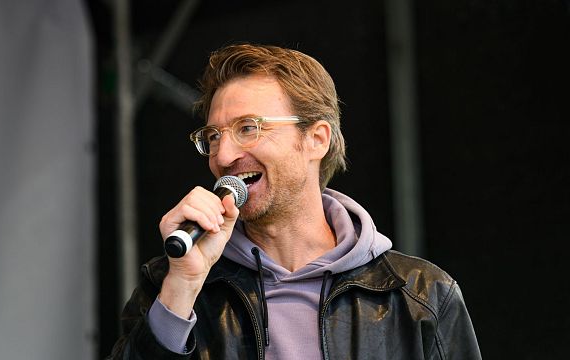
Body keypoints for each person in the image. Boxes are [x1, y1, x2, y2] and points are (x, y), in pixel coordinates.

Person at [108, 43, 481, 359]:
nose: (223, 156)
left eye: (247, 129)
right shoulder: (170, 283)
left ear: (317, 139)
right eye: (214, 136)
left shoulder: (419, 296)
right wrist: (183, 286)